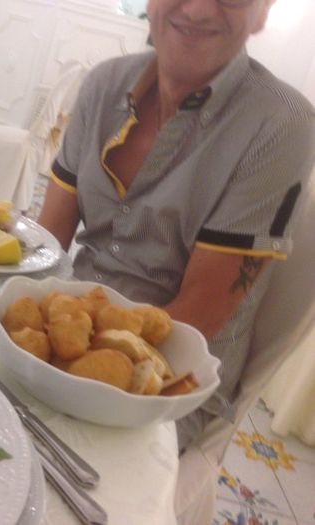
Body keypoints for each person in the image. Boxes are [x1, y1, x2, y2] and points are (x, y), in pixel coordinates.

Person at [37, 0, 315, 452]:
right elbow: (46, 245)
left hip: (169, 376)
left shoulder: (282, 124)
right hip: (71, 341)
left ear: (263, 12)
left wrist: (61, 370)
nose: (199, 9)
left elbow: (195, 321)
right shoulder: (104, 84)